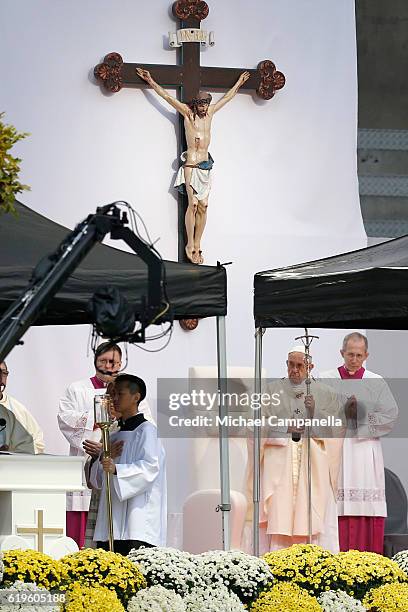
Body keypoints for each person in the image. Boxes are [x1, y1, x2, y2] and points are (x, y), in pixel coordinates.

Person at [136, 67, 250, 265]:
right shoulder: (188, 114)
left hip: (205, 167)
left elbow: (227, 98)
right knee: (193, 204)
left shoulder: (211, 113)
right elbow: (167, 98)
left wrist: (239, 83)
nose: (204, 108)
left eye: (206, 105)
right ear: (196, 105)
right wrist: (151, 81)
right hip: (190, 165)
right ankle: (190, 245)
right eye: (201, 105)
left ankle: (198, 243)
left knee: (204, 206)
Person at [247, 346, 344, 553]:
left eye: (300, 365)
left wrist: (314, 412)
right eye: (291, 364)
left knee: (311, 513)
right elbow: (254, 425)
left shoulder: (326, 393)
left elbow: (336, 429)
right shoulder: (270, 391)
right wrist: (284, 427)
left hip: (312, 463)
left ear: (310, 367)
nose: (295, 370)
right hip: (280, 462)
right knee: (279, 513)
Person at [58, 342, 153, 548]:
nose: (109, 366)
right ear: (95, 361)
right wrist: (100, 412)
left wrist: (115, 420)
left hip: (116, 465)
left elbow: (145, 426)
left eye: (114, 362)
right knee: (83, 527)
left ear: (120, 363)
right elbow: (65, 419)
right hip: (86, 463)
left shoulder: (130, 391)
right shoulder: (77, 388)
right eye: (104, 361)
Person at [320, 332, 398, 554]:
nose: (354, 359)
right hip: (336, 448)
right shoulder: (325, 379)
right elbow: (315, 413)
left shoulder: (376, 381)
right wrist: (342, 415)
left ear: (366, 355)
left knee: (365, 500)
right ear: (341, 353)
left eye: (359, 355)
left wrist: (361, 416)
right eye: (350, 354)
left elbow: (390, 416)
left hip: (364, 450)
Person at [90, 374, 166, 554]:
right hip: (111, 518)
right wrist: (102, 461)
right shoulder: (113, 433)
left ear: (136, 397)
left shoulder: (147, 431)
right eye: (113, 394)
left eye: (120, 394)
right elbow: (97, 480)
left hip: (137, 518)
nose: (114, 399)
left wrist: (117, 469)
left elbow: (150, 467)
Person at [0, 361, 44, 454]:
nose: (1, 378)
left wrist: (10, 454)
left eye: (4, 373)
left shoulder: (17, 409)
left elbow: (38, 443)